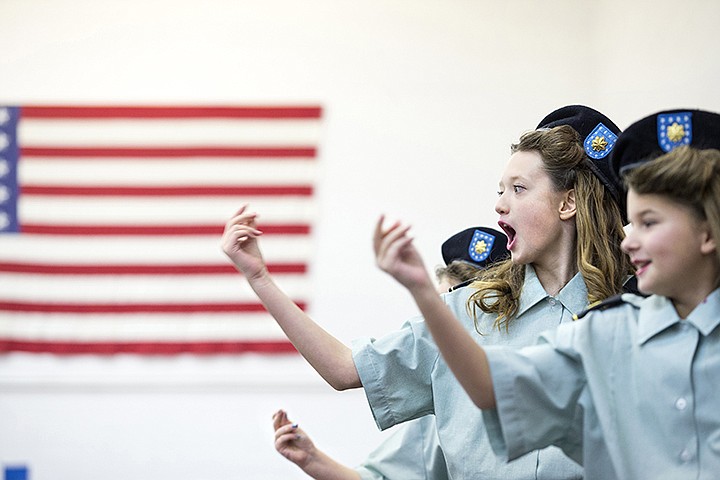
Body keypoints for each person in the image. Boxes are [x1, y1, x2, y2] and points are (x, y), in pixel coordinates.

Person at [221, 105, 633, 479]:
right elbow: (345, 369)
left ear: (569, 203)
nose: (499, 207)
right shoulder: (467, 314)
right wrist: (260, 278)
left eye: (519, 189)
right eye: (500, 190)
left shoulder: (632, 318)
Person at [373, 109, 720, 479]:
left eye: (648, 223)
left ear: (708, 233)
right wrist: (423, 292)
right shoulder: (608, 332)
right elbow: (496, 390)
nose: (628, 241)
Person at [271, 227, 508, 480]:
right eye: (437, 311)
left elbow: (343, 370)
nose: (441, 329)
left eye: (453, 312)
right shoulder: (442, 401)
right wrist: (311, 459)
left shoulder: (534, 362)